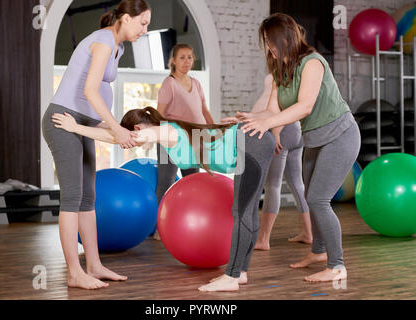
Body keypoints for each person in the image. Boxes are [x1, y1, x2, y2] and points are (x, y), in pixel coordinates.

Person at [50, 106, 277, 292]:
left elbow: (114, 137)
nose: (133, 143)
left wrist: (75, 127)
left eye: (132, 135)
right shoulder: (170, 130)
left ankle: (232, 277)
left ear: (138, 128)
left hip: (249, 142)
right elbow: (114, 131)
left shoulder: (163, 132)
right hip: (252, 140)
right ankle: (241, 272)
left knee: (242, 212)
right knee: (247, 211)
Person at [236, 13, 361, 282]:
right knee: (310, 197)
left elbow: (304, 106)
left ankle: (337, 265)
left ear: (286, 38)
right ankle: (318, 252)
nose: (269, 47)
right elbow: (272, 109)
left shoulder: (312, 63)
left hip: (341, 135)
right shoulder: (281, 70)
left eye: (272, 41)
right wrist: (251, 118)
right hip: (314, 139)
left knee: (318, 198)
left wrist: (268, 120)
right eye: (266, 42)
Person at [41, 0, 151, 290]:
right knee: (73, 197)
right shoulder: (103, 41)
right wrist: (115, 127)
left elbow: (93, 96)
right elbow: (90, 90)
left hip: (83, 124)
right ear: (126, 18)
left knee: (88, 198)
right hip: (63, 121)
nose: (145, 29)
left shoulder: (119, 46)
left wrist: (109, 127)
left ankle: (95, 264)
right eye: (143, 23)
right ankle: (74, 273)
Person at [242, 74, 312, 250]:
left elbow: (281, 105)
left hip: (281, 130)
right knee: (297, 183)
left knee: (272, 185)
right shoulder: (293, 70)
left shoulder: (283, 70)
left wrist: (275, 132)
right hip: (295, 129)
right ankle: (308, 233)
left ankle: (263, 239)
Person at [154, 44, 215, 236]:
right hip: (171, 139)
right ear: (173, 60)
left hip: (194, 139)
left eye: (189, 57)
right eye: (182, 57)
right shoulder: (169, 83)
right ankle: (156, 227)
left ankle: (191, 223)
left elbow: (204, 111)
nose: (186, 61)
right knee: (166, 181)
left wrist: (214, 130)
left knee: (192, 181)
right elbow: (159, 115)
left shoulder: (196, 83)